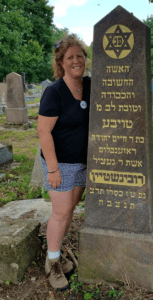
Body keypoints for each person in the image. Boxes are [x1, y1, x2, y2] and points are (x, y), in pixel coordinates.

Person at [37, 34, 91, 290]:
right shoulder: (54, 92)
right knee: (60, 213)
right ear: (61, 63)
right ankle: (53, 264)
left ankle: (56, 253)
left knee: (69, 211)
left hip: (82, 163)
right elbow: (44, 132)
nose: (76, 60)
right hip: (61, 164)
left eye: (80, 56)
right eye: (70, 57)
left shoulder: (90, 85)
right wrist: (53, 169)